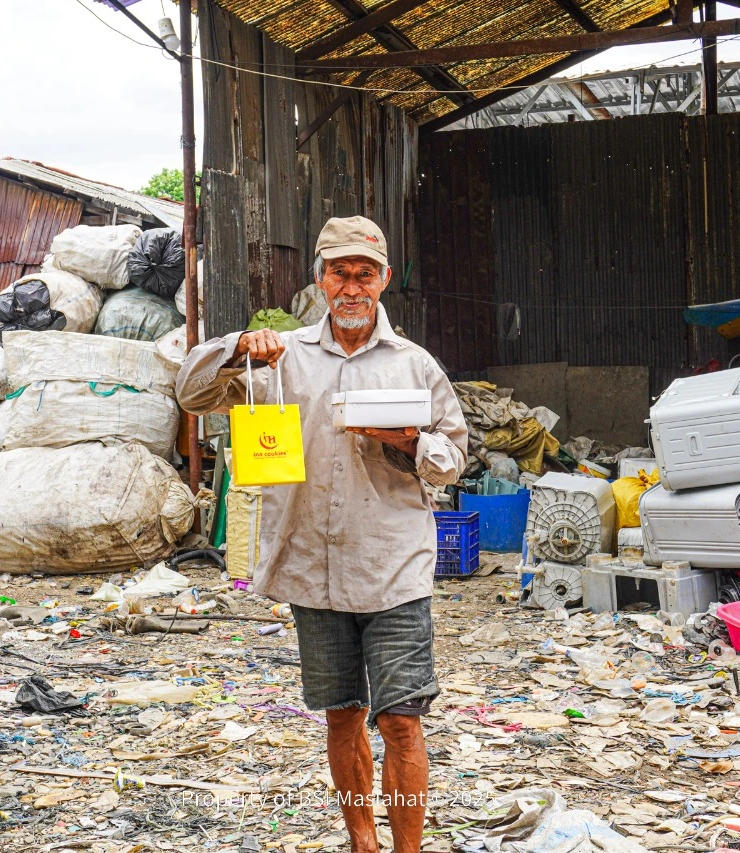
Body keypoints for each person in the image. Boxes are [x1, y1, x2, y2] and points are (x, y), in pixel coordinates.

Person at [176, 215, 468, 853]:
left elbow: (454, 459)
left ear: (385, 280)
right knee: (342, 714)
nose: (353, 286)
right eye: (341, 272)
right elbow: (193, 395)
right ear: (321, 280)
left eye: (366, 273)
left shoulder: (415, 366)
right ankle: (362, 842)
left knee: (400, 721)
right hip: (314, 567)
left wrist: (410, 441)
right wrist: (235, 348)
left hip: (392, 568)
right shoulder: (283, 359)